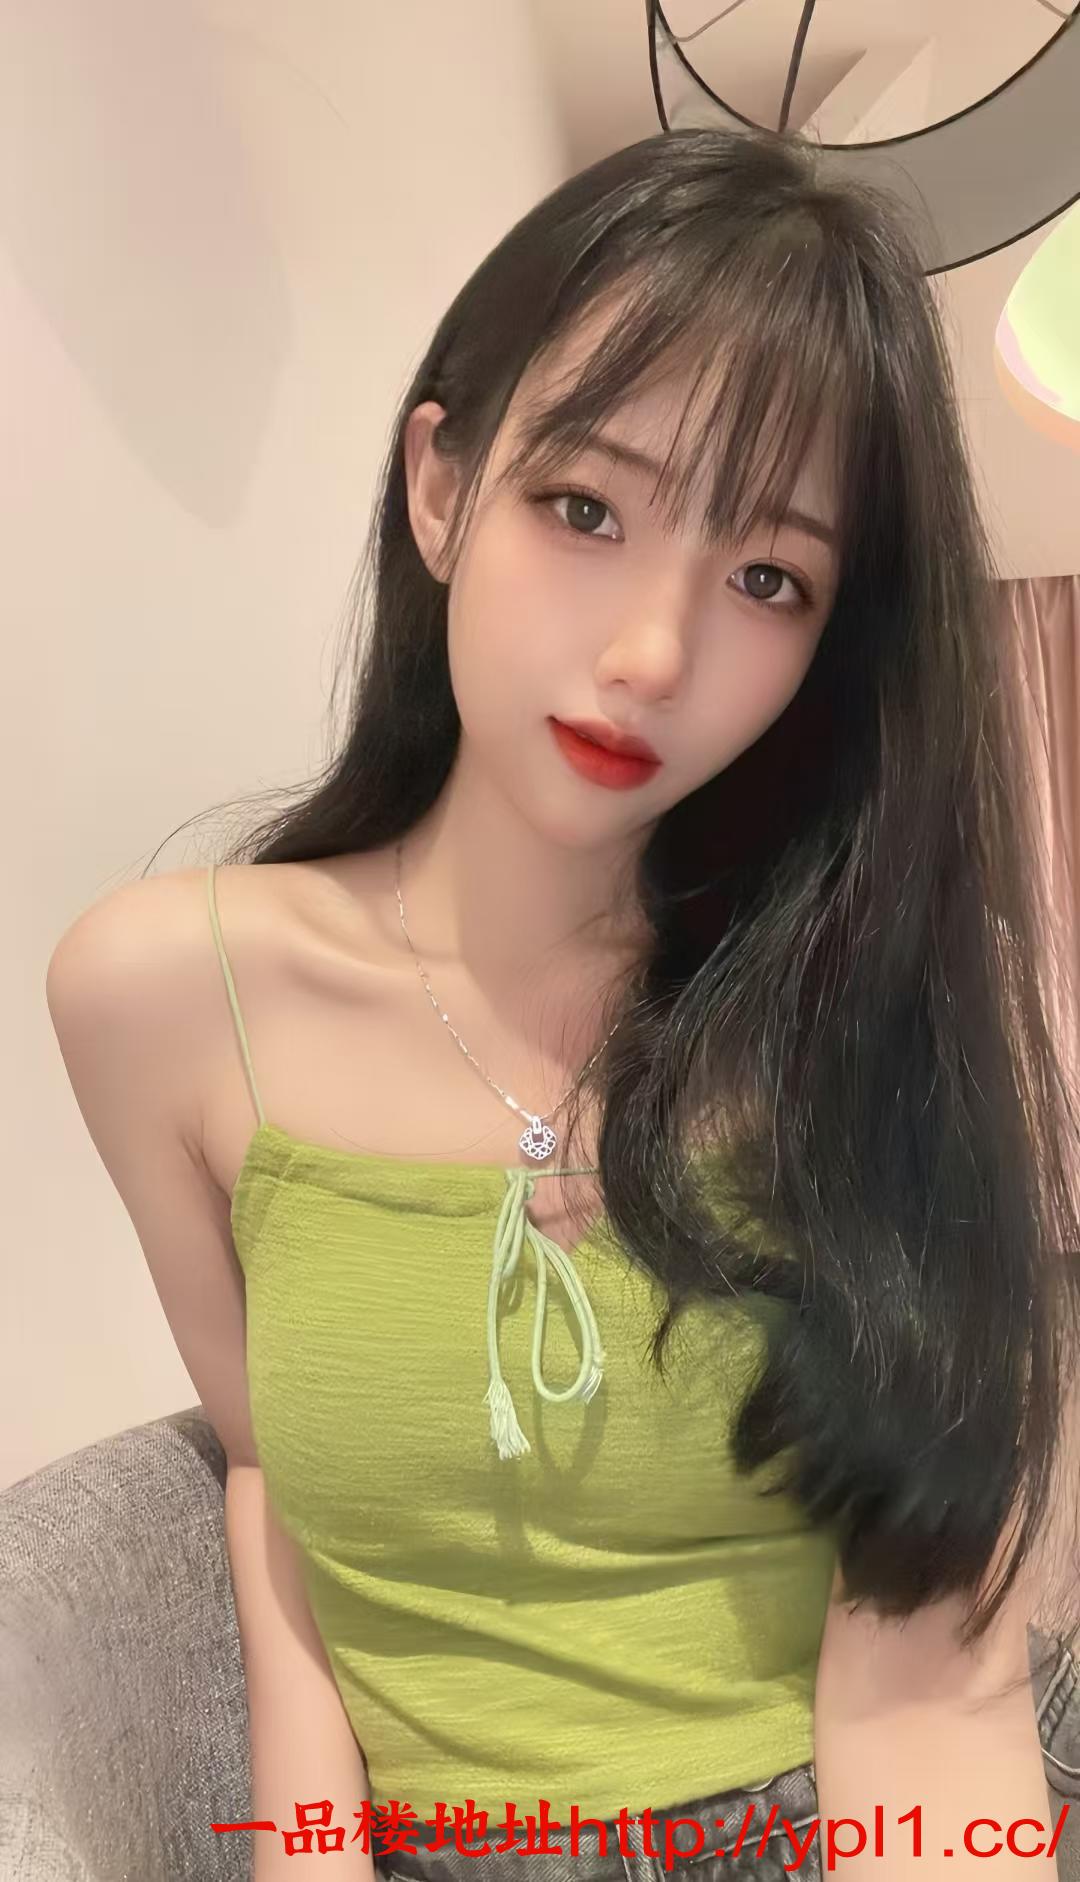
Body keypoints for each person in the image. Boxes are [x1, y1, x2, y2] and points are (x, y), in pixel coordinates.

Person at [47, 126, 1080, 1881]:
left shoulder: (866, 1004)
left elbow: (930, 1658)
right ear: (441, 488)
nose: (653, 655)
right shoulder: (163, 998)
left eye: (768, 578)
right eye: (585, 507)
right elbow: (273, 1475)